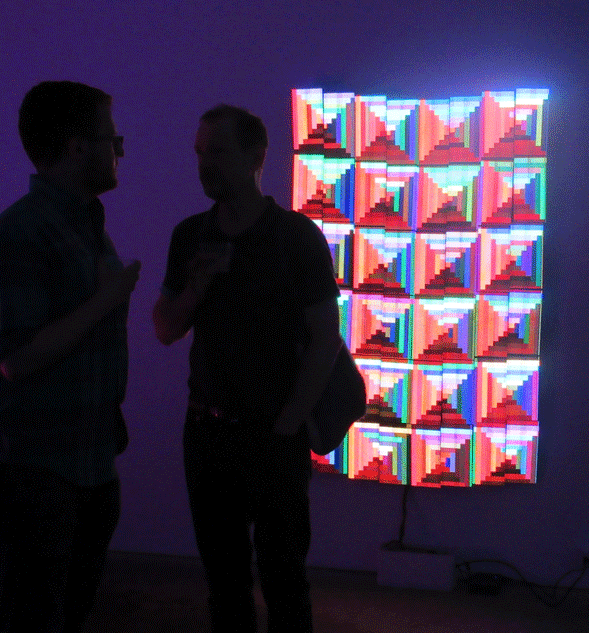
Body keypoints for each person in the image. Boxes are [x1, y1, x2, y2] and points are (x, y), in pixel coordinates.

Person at [153, 104, 341, 633]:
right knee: (225, 582)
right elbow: (164, 328)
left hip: (272, 434)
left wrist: (288, 424)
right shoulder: (190, 236)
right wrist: (197, 287)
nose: (203, 164)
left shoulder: (296, 237)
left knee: (285, 580)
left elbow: (325, 340)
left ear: (256, 156)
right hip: (208, 432)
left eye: (217, 151)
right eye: (199, 152)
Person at [0, 81, 140, 632]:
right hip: (42, 469)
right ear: (78, 146)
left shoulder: (84, 222)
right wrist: (107, 299)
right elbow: (16, 358)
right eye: (111, 137)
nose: (120, 148)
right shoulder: (23, 233)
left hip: (89, 461)